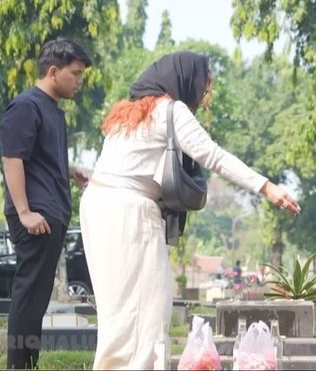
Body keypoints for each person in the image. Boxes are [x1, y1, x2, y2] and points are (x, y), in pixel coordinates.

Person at [79, 51, 301, 370]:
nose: (203, 96)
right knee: (149, 308)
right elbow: (214, 156)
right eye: (204, 89)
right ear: (187, 81)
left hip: (97, 206)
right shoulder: (170, 111)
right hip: (130, 212)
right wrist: (267, 187)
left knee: (117, 310)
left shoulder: (126, 114)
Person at [0, 38, 91, 369]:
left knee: (37, 300)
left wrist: (70, 171)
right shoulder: (27, 106)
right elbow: (12, 159)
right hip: (34, 217)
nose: (79, 81)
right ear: (53, 71)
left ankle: (29, 364)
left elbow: (39, 157)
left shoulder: (52, 111)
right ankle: (18, 366)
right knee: (28, 297)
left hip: (50, 215)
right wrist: (24, 212)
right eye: (76, 74)